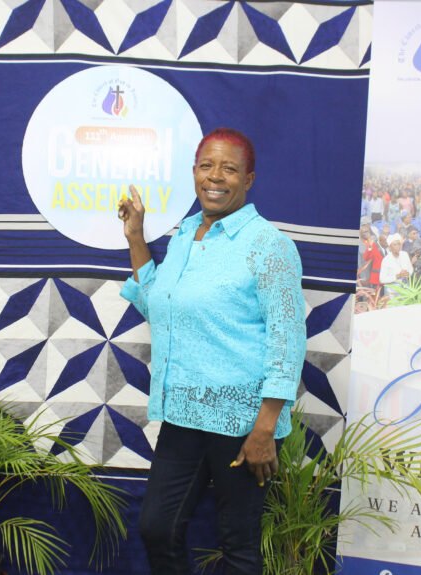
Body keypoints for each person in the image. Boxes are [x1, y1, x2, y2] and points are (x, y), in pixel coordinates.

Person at [118, 128, 306, 574]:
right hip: (183, 414)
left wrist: (264, 428)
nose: (215, 177)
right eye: (207, 166)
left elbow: (288, 339)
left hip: (242, 423)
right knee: (157, 528)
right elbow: (158, 306)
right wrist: (136, 236)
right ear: (194, 172)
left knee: (237, 545)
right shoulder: (186, 234)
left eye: (229, 168)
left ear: (249, 179)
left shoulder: (268, 244)